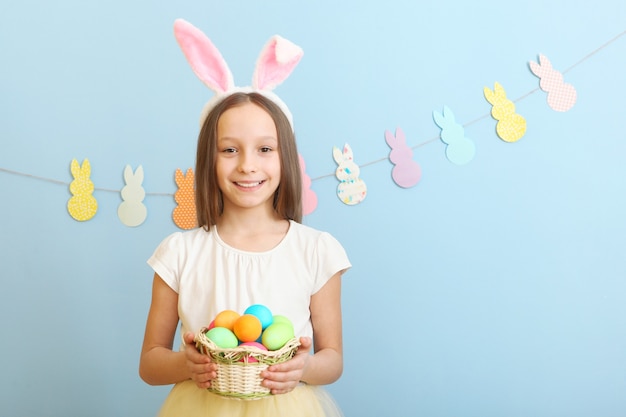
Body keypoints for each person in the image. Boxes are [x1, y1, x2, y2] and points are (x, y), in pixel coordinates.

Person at [138, 28, 351, 414]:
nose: (247, 165)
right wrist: (185, 364)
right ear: (209, 158)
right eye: (229, 150)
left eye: (265, 149)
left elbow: (332, 359)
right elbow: (150, 364)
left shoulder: (317, 250)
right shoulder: (179, 253)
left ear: (285, 157)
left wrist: (303, 367)